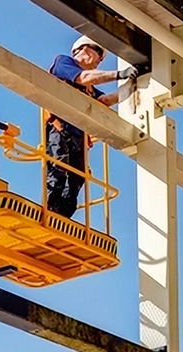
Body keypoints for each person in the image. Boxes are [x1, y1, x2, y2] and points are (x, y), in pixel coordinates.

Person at [44, 35, 138, 218]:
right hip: (60, 129)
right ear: (85, 49)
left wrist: (135, 84)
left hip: (78, 135)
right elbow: (84, 77)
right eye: (99, 55)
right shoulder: (63, 63)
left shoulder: (90, 88)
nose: (99, 62)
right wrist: (119, 74)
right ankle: (50, 213)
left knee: (78, 177)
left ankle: (63, 217)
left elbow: (105, 100)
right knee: (59, 168)